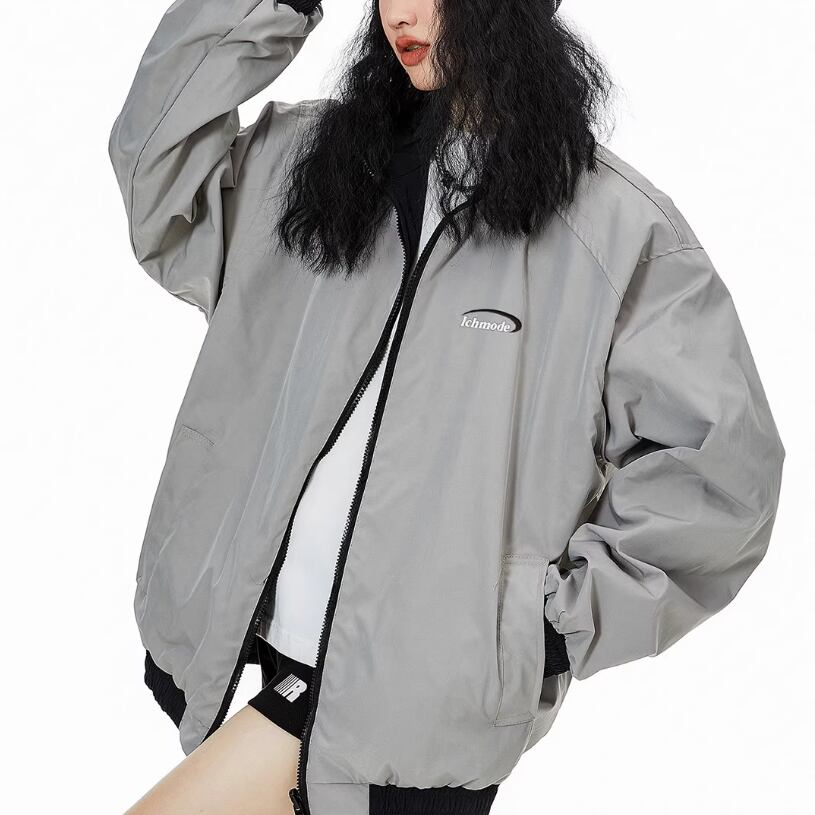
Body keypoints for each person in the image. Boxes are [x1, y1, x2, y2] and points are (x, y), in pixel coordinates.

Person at [108, 1, 785, 814]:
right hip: (254, 648)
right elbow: (160, 176)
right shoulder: (306, 163)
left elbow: (722, 475)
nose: (401, 10)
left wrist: (536, 631)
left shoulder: (613, 231)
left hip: (408, 709)